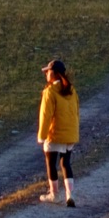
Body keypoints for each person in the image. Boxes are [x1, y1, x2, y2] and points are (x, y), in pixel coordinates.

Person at [37, 58, 79, 207]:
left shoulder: (50, 92)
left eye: (47, 72)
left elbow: (45, 116)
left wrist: (42, 136)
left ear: (53, 74)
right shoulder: (71, 90)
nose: (46, 74)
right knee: (66, 163)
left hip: (55, 133)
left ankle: (54, 194)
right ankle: (70, 194)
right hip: (70, 134)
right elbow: (76, 112)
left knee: (51, 163)